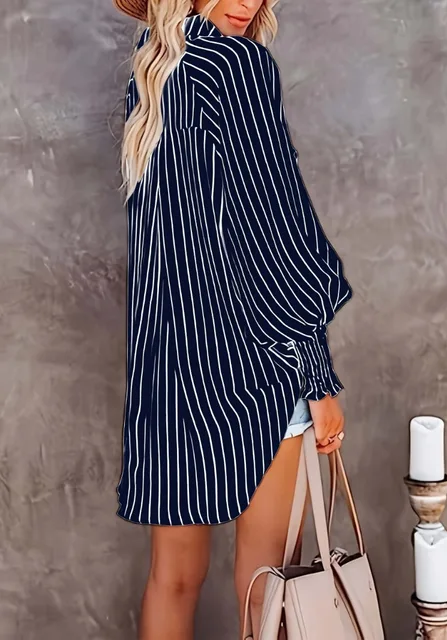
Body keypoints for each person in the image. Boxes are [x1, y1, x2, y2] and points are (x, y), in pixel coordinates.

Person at [112, 0, 353, 638]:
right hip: (255, 367)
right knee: (266, 586)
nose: (248, 2)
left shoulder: (152, 74)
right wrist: (318, 376)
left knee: (172, 579)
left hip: (169, 373)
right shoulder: (239, 64)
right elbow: (276, 234)